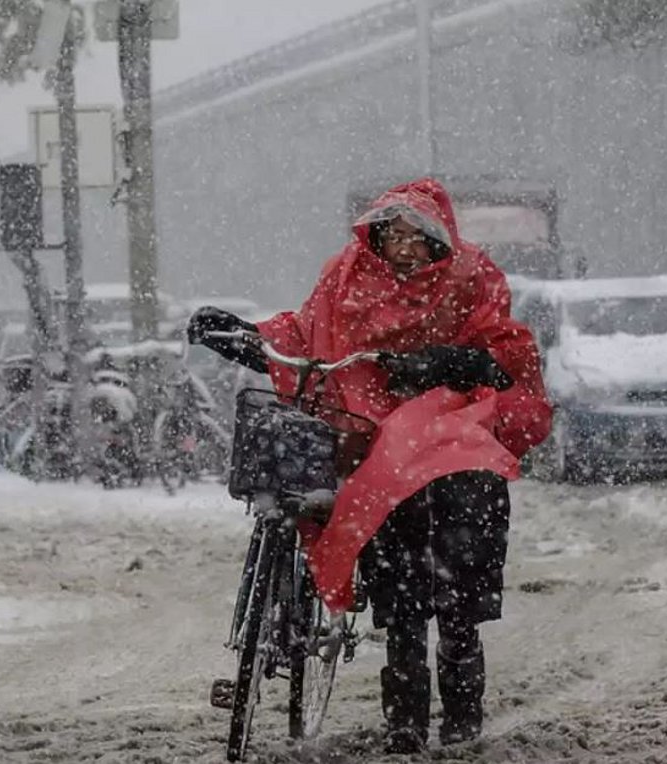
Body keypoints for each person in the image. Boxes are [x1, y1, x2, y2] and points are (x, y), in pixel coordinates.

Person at [188, 177, 552, 753]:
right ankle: (404, 724)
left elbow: (506, 354)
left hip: (454, 438)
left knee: (459, 591)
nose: (404, 247)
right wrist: (247, 336)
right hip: (369, 437)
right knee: (401, 598)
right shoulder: (347, 275)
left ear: (440, 240)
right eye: (394, 234)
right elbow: (309, 332)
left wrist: (442, 364)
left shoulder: (472, 278)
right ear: (376, 236)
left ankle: (461, 710)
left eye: (418, 236)